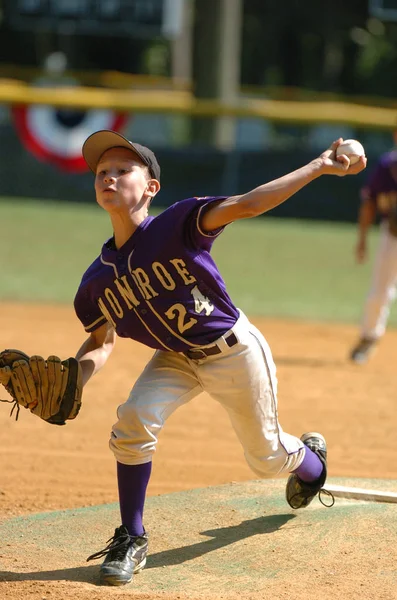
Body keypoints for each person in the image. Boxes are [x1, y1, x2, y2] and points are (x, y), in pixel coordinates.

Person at [73, 130, 366, 586]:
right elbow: (100, 342)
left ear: (150, 188)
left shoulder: (179, 222)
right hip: (174, 358)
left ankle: (312, 463)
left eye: (123, 170)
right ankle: (132, 537)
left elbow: (248, 204)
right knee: (133, 420)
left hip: (233, 351)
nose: (108, 177)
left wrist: (321, 165)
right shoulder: (96, 282)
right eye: (101, 172)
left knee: (266, 459)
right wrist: (76, 378)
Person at [350, 129, 397, 364]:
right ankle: (369, 338)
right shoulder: (386, 167)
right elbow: (369, 205)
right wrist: (362, 240)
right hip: (392, 236)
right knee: (379, 291)